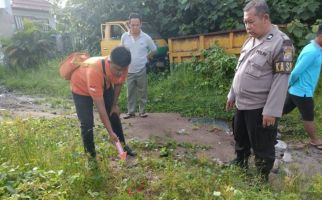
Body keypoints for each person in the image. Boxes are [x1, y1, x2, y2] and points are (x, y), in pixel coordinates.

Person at [226, 0, 294, 181]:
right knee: (240, 137)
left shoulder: (282, 43)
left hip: (260, 107)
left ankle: (261, 178)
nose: (247, 26)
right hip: (242, 103)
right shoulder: (251, 40)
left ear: (265, 18)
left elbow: (281, 80)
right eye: (245, 22)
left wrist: (271, 111)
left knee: (262, 145)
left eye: (251, 21)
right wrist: (232, 93)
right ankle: (240, 162)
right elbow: (239, 69)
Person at [70, 46, 137, 161]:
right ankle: (91, 156)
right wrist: (110, 132)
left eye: (123, 69)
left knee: (113, 113)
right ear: (110, 61)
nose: (120, 72)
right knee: (87, 123)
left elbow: (119, 83)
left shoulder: (122, 66)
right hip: (80, 87)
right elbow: (101, 109)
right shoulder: (94, 71)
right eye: (117, 69)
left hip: (103, 83)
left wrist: (114, 104)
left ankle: (122, 146)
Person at [282, 25, 322, 150]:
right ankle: (315, 140)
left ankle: (263, 125)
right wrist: (289, 84)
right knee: (308, 117)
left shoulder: (315, 48)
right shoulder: (312, 52)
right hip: (302, 92)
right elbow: (296, 72)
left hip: (297, 90)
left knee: (281, 110)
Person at [121, 13, 157, 119]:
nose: (135, 27)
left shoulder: (146, 37)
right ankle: (131, 111)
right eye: (133, 25)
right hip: (128, 69)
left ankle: (142, 111)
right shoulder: (124, 36)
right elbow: (122, 50)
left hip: (141, 68)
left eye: (137, 24)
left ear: (141, 24)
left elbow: (154, 49)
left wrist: (147, 57)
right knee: (130, 92)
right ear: (129, 25)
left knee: (142, 91)